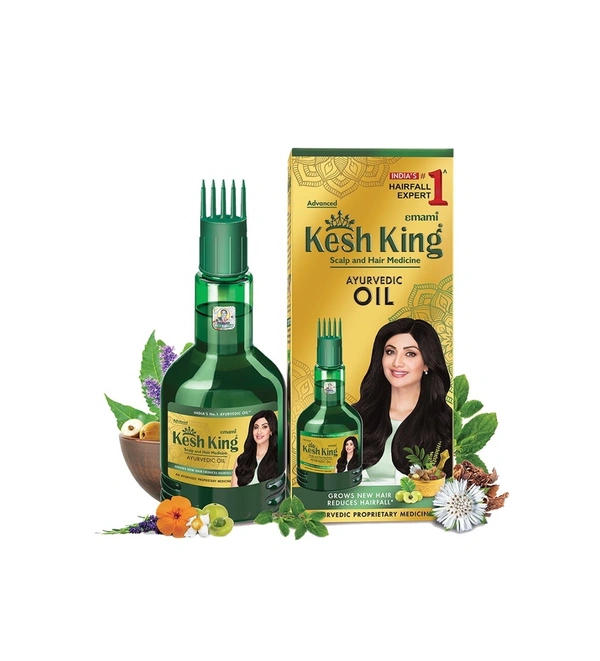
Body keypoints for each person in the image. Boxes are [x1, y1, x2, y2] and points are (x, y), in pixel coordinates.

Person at [354, 318, 452, 485]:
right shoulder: (355, 418)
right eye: (390, 352)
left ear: (426, 363)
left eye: (410, 354)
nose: (397, 363)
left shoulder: (447, 423)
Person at [231, 410, 279, 487]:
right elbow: (233, 491)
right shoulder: (241, 460)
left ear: (271, 431)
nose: (259, 432)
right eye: (256, 427)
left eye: (264, 427)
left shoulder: (279, 459)